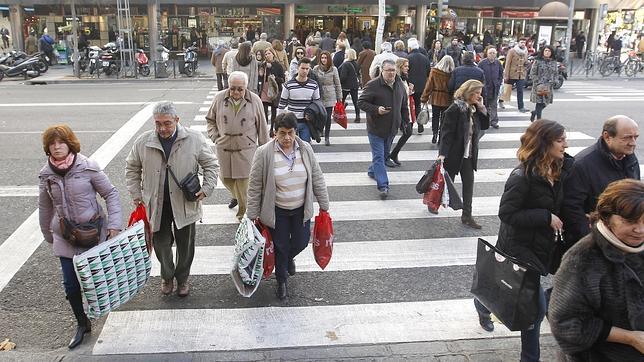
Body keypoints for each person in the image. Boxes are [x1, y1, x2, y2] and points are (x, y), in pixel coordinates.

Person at [474, 119, 571, 362]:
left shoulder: (559, 169)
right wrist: (545, 216)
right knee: (535, 311)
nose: (565, 145)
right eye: (560, 141)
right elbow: (506, 214)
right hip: (520, 248)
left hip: (541, 247)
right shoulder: (522, 176)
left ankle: (482, 304)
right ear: (544, 143)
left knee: (507, 295)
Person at [38, 125, 122, 349]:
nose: (56, 147)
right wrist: (48, 234)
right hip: (65, 236)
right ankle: (81, 323)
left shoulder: (87, 167)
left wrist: (114, 226)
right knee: (70, 285)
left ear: (70, 144)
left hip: (93, 233)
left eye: (61, 142)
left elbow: (111, 193)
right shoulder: (46, 174)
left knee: (97, 281)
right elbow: (44, 207)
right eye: (52, 144)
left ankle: (102, 311)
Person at [125, 101, 219, 298]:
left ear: (177, 120)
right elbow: (132, 167)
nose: (162, 128)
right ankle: (167, 276)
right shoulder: (144, 141)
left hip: (185, 202)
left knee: (186, 245)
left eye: (167, 123)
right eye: (158, 123)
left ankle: (182, 278)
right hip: (156, 204)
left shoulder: (193, 138)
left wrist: (207, 188)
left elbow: (211, 164)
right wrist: (136, 194)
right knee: (161, 244)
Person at [549, 179, 644, 361]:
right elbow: (565, 323)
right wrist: (631, 338)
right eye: (629, 221)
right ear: (607, 218)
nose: (639, 230)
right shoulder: (582, 259)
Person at [246, 112, 330, 301]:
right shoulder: (264, 153)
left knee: (300, 242)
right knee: (281, 245)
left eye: (290, 133)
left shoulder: (305, 148)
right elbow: (254, 186)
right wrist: (252, 213)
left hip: (301, 208)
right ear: (274, 133)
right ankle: (281, 280)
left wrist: (324, 205)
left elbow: (317, 177)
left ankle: (285, 260)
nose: (287, 138)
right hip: (277, 210)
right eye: (282, 133)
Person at [562, 116, 640, 247]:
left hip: (626, 237)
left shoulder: (629, 157)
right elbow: (571, 208)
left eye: (635, 137)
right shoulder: (583, 164)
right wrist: (593, 239)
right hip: (599, 241)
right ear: (607, 137)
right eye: (626, 138)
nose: (633, 143)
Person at [206, 71, 269, 222]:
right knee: (225, 178)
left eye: (240, 89)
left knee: (243, 183)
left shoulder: (254, 100)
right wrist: (215, 136)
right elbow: (210, 120)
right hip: (224, 147)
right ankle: (236, 196)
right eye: (233, 88)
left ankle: (244, 214)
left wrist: (265, 149)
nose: (236, 92)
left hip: (245, 149)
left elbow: (262, 126)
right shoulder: (219, 98)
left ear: (246, 88)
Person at [437, 80, 489, 228]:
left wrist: (481, 107)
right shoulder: (455, 109)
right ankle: (433, 203)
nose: (479, 96)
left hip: (469, 155)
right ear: (468, 92)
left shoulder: (474, 108)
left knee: (468, 185)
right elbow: (446, 133)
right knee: (446, 184)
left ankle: (467, 216)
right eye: (476, 93)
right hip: (454, 153)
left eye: (480, 93)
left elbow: (485, 125)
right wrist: (442, 154)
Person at [358, 59, 410, 199]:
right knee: (379, 157)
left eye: (393, 70)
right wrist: (376, 110)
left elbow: (403, 105)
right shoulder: (373, 85)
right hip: (376, 128)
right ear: (382, 70)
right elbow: (361, 102)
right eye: (388, 70)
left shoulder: (399, 84)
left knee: (382, 156)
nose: (391, 73)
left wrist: (406, 122)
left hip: (392, 129)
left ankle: (372, 171)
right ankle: (383, 186)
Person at [278, 57, 320, 142]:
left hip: (306, 122)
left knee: (306, 147)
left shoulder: (314, 85)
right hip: (291, 122)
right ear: (298, 68)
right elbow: (282, 105)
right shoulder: (288, 85)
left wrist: (312, 115)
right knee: (292, 148)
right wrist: (279, 123)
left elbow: (317, 103)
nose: (305, 71)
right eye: (303, 68)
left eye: (307, 69)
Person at [421, 55, 455, 144]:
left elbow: (429, 85)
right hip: (447, 98)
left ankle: (434, 134)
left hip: (436, 97)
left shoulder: (434, 71)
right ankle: (441, 136)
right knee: (444, 119)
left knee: (435, 117)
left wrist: (424, 97)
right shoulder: (452, 73)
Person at [387, 58, 414, 167]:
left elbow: (404, 95)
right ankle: (388, 155)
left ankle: (393, 153)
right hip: (398, 110)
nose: (408, 68)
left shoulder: (404, 79)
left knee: (407, 132)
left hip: (404, 109)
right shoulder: (396, 80)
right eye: (405, 66)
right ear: (400, 67)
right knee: (391, 135)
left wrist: (410, 91)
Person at [313, 51, 342, 146]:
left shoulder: (334, 69)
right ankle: (320, 129)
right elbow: (312, 81)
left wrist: (339, 98)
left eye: (325, 58)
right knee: (320, 115)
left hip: (330, 94)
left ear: (329, 59)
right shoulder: (316, 69)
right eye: (322, 58)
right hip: (319, 94)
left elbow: (337, 84)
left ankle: (327, 137)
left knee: (328, 116)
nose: (324, 60)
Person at [406, 38, 431, 134]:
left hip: (410, 85)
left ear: (410, 47)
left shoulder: (408, 58)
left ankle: (411, 125)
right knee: (418, 105)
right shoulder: (425, 58)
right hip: (422, 85)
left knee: (410, 105)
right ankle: (420, 125)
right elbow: (429, 72)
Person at [529, 45, 558, 122]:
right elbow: (532, 73)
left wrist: (555, 81)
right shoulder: (537, 61)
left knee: (546, 102)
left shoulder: (554, 62)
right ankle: (539, 121)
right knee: (539, 102)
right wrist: (538, 82)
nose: (547, 52)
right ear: (543, 52)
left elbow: (555, 73)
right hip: (539, 85)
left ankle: (534, 112)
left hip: (549, 85)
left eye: (549, 51)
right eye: (546, 51)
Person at [478, 46, 504, 129]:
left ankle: (494, 121)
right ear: (487, 54)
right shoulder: (482, 63)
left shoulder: (498, 63)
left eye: (494, 53)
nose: (492, 55)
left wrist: (498, 83)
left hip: (494, 87)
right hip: (485, 87)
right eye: (490, 53)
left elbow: (501, 74)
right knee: (485, 105)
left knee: (494, 105)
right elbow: (479, 74)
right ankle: (486, 121)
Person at [260, 48, 285, 133]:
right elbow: (260, 76)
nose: (267, 55)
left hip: (274, 89)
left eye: (269, 53)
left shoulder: (278, 65)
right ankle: (265, 128)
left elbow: (282, 79)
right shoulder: (263, 65)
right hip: (265, 88)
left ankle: (272, 129)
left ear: (273, 54)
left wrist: (275, 77)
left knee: (274, 109)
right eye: (266, 54)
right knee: (264, 110)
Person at [504, 38, 530, 113]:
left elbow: (525, 62)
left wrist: (526, 63)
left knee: (520, 91)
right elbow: (507, 63)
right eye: (521, 42)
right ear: (518, 43)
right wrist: (506, 75)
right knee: (507, 89)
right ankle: (501, 100)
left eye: (524, 43)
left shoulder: (525, 51)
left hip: (521, 75)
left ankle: (521, 107)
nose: (523, 44)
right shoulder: (512, 51)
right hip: (512, 74)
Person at [338, 48, 361, 123]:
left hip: (346, 86)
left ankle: (340, 115)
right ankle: (358, 116)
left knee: (342, 100)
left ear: (348, 55)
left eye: (346, 53)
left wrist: (340, 82)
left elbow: (343, 76)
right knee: (355, 101)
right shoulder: (356, 63)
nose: (344, 54)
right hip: (354, 85)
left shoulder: (345, 64)